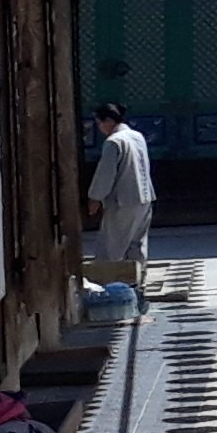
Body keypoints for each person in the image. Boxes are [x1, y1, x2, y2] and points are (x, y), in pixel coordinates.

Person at [86, 102, 157, 294]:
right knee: (136, 245)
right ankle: (137, 286)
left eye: (99, 123)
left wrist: (95, 198)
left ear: (107, 121)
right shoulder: (137, 136)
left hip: (123, 201)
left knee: (111, 248)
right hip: (144, 197)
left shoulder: (114, 142)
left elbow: (105, 174)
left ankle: (108, 290)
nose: (99, 128)